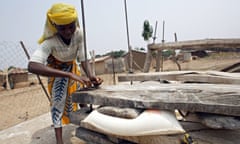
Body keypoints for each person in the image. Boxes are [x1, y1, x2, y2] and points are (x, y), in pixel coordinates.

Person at [28, 3, 102, 144]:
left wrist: (91, 75)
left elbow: (83, 57)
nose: (68, 31)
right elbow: (32, 66)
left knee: (82, 97)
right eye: (63, 28)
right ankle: (59, 141)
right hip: (56, 71)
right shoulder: (50, 41)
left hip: (73, 68)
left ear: (75, 23)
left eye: (71, 26)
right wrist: (68, 75)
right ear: (55, 26)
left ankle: (89, 128)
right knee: (58, 104)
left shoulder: (79, 34)